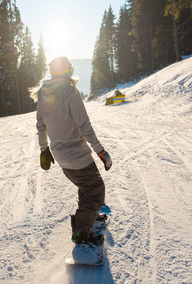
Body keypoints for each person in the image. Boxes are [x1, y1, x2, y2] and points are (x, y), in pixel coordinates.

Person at [34, 56, 112, 246]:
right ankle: (81, 233)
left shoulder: (44, 92)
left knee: (86, 186)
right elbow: (84, 126)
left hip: (60, 156)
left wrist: (44, 149)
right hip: (77, 155)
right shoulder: (70, 91)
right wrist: (100, 151)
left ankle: (88, 218)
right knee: (96, 190)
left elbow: (40, 124)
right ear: (67, 70)